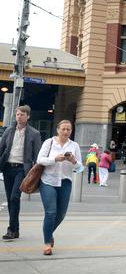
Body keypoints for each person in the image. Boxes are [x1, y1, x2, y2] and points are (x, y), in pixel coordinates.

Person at [37, 120, 83, 255]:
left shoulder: (74, 145)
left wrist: (74, 161)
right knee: (50, 212)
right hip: (48, 180)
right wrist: (55, 159)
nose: (66, 132)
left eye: (68, 129)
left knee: (61, 214)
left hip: (65, 182)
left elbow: (80, 168)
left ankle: (48, 233)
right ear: (58, 130)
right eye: (63, 129)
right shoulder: (49, 142)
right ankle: (47, 243)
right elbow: (40, 160)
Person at [0, 105, 42, 241]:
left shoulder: (34, 133)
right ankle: (15, 230)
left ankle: (11, 229)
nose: (19, 117)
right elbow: (1, 148)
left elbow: (38, 156)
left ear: (28, 116)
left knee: (14, 198)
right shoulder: (8, 130)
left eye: (22, 115)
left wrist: (37, 174)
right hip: (7, 168)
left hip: (22, 170)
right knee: (11, 200)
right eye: (18, 114)